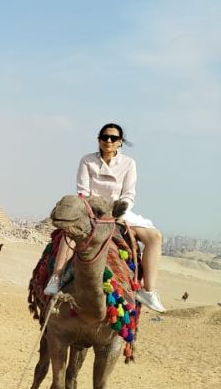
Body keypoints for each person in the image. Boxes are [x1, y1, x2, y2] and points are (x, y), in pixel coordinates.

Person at [44, 123, 166, 313]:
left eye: (113, 138)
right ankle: (56, 277)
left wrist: (116, 211)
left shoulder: (129, 164)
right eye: (105, 137)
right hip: (91, 210)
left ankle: (148, 290)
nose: (108, 141)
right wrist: (96, 210)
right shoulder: (87, 161)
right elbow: (83, 191)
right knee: (70, 233)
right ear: (99, 140)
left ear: (120, 143)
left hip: (118, 211)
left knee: (155, 237)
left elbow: (128, 194)